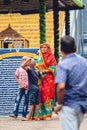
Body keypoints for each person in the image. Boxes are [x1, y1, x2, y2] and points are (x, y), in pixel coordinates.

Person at [54, 35, 87, 130]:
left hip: (69, 104)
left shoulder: (63, 65)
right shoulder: (85, 62)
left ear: (61, 49)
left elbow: (61, 87)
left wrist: (59, 104)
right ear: (75, 48)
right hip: (82, 105)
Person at [36, 43, 57, 120]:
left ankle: (48, 114)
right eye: (42, 48)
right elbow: (37, 66)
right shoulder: (40, 56)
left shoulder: (51, 56)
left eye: (45, 47)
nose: (43, 49)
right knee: (40, 93)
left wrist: (45, 70)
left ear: (48, 48)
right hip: (40, 78)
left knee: (47, 93)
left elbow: (53, 67)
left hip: (48, 78)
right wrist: (39, 71)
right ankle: (40, 114)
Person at [9, 56, 29, 120]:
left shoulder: (29, 68)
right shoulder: (19, 69)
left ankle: (24, 115)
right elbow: (16, 77)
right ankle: (15, 113)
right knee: (17, 100)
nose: (24, 61)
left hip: (27, 88)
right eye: (23, 60)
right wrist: (20, 83)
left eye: (25, 59)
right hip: (21, 87)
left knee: (26, 101)